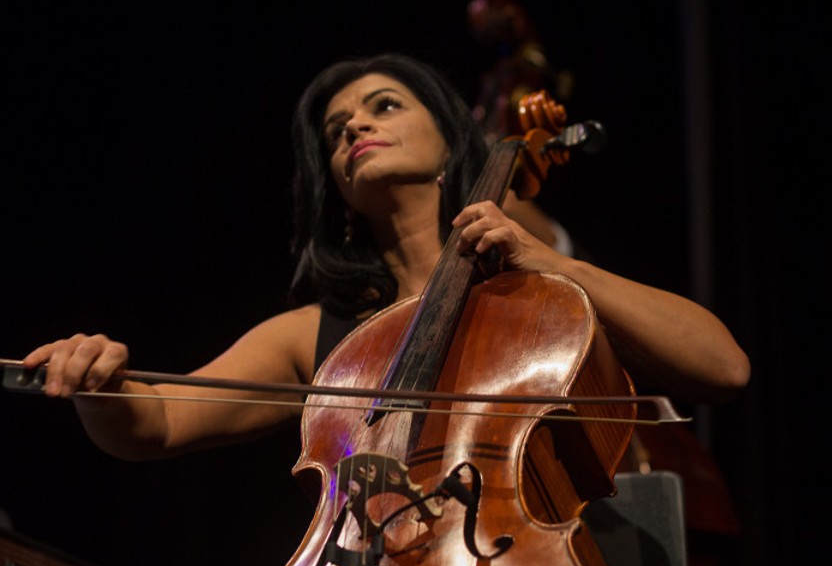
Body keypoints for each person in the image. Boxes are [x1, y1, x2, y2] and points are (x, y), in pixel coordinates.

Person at [22, 53, 749, 465]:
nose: (355, 127)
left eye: (385, 106)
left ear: (451, 144)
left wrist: (560, 266)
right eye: (336, 129)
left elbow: (722, 369)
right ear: (335, 186)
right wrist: (100, 383)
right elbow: (157, 421)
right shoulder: (315, 333)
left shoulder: (538, 295)